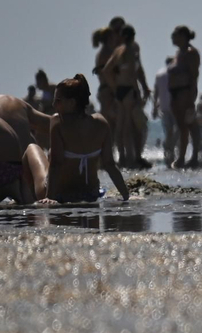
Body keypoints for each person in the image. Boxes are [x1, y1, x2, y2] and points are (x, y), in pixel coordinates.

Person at [39, 75, 131, 204]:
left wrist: (50, 198)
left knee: (33, 150)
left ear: (71, 103)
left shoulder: (58, 122)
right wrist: (126, 195)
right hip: (91, 194)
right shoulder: (101, 122)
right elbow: (109, 164)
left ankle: (21, 194)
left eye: (58, 100)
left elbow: (55, 165)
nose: (54, 104)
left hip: (62, 194)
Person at [103, 23, 151, 167]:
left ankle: (124, 156)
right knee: (130, 124)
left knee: (122, 124)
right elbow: (133, 73)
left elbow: (107, 71)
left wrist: (115, 87)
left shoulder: (118, 51)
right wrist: (138, 89)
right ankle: (131, 157)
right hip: (129, 90)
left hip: (121, 90)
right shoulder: (130, 50)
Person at [168, 26, 201, 168]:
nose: (172, 38)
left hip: (185, 91)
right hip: (175, 92)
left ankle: (188, 157)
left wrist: (191, 96)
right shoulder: (178, 53)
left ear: (183, 36)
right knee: (182, 124)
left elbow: (194, 75)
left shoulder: (191, 53)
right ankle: (182, 156)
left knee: (188, 124)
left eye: (175, 35)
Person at [153, 57, 177, 168]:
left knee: (168, 132)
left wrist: (154, 107)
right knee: (177, 132)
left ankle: (168, 154)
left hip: (164, 108)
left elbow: (156, 92)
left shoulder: (159, 74)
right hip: (176, 107)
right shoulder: (174, 72)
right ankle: (172, 154)